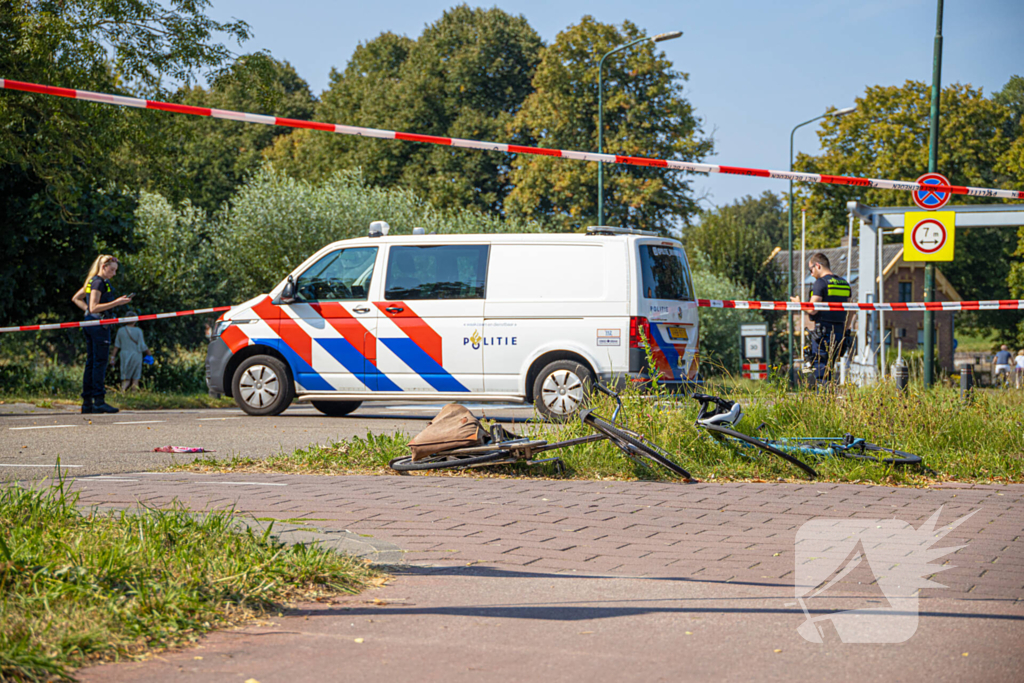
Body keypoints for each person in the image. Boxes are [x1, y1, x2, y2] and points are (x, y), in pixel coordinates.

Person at [72, 255, 133, 413]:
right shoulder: (98, 282)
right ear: (103, 266)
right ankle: (98, 401)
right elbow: (94, 307)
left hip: (91, 324)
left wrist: (88, 312)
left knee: (91, 363)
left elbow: (77, 299)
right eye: (112, 270)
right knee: (99, 363)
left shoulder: (93, 282)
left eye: (115, 270)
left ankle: (87, 403)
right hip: (99, 326)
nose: (114, 273)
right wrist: (117, 302)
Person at [791, 253, 852, 384]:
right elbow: (850, 311)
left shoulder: (820, 283)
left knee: (820, 370)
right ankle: (829, 398)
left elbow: (813, 308)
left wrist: (799, 303)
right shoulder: (844, 283)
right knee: (830, 368)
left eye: (811, 270)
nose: (811, 274)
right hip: (840, 332)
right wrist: (845, 330)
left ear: (817, 265)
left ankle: (824, 400)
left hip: (824, 332)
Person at [111, 311, 148, 391]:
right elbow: (142, 345)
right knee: (136, 378)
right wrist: (149, 354)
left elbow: (116, 346)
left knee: (125, 378)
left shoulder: (121, 330)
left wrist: (112, 357)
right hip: (136, 355)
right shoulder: (138, 331)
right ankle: (134, 396)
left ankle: (122, 393)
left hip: (124, 355)